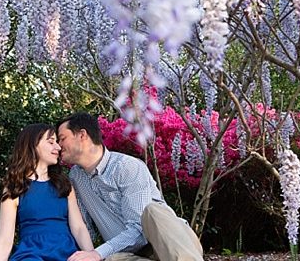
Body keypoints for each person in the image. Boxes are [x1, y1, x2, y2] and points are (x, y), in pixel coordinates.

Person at [57, 112, 204, 261]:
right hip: (133, 254)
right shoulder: (75, 177)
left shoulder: (126, 166)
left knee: (153, 211)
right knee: (113, 259)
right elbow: (85, 227)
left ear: (82, 135)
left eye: (62, 138)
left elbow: (139, 230)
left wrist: (97, 254)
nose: (58, 145)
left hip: (170, 244)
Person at [0, 123, 94, 261]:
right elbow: (5, 240)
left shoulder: (64, 184)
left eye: (57, 142)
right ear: (33, 145)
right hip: (31, 254)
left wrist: (92, 254)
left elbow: (79, 227)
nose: (58, 147)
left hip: (67, 253)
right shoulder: (14, 187)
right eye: (51, 142)